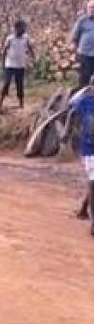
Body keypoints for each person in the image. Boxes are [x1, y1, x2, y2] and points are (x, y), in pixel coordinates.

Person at [63, 76, 94, 236]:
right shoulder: (85, 101)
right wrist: (66, 132)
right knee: (93, 181)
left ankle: (83, 208)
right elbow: (71, 114)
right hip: (89, 148)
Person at [0, 20, 35, 113]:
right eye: (22, 28)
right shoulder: (10, 38)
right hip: (10, 64)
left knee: (20, 85)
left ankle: (21, 104)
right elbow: (4, 51)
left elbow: (30, 47)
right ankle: (0, 104)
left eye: (24, 28)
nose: (24, 30)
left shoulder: (26, 38)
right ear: (17, 29)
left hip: (20, 65)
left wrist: (33, 57)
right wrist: (3, 64)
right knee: (6, 83)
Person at [70, 0, 94, 90]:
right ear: (87, 9)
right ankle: (82, 101)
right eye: (90, 7)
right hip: (85, 54)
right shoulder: (82, 21)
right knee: (84, 79)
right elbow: (75, 36)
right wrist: (74, 49)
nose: (92, 10)